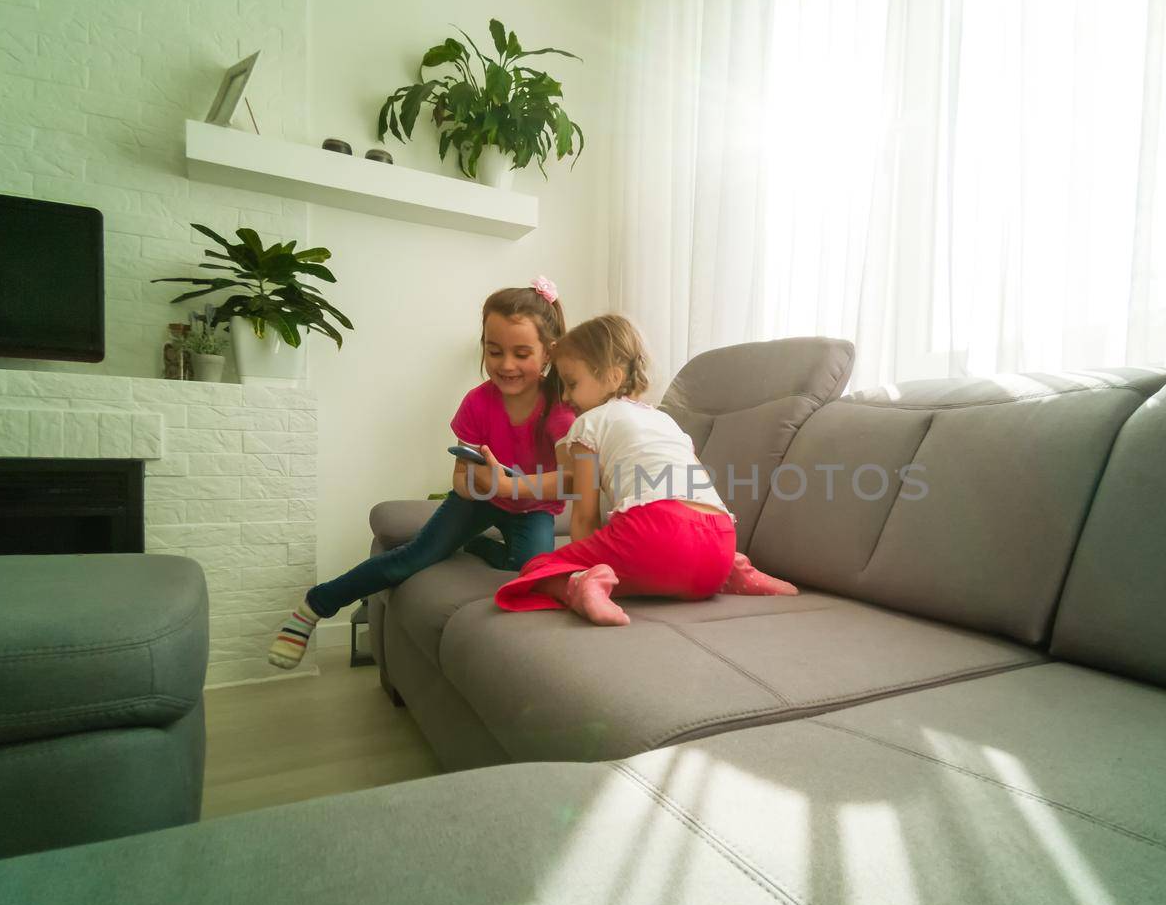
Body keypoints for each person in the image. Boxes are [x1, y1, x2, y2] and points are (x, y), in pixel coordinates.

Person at [268, 279, 573, 668]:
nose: (506, 365)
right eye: (494, 351)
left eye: (521, 353)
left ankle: (478, 546)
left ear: (548, 352)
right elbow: (460, 479)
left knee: (529, 571)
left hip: (533, 509)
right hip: (481, 502)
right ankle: (315, 605)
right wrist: (474, 486)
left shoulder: (560, 409)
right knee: (411, 558)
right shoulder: (478, 403)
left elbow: (571, 480)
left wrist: (512, 485)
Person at [493, 313, 796, 627]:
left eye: (571, 384)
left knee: (537, 568)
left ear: (611, 377)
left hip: (657, 536)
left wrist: (578, 565)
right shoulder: (666, 422)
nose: (566, 397)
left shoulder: (589, 424)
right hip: (720, 542)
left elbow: (585, 514)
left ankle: (583, 585)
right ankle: (734, 572)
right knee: (675, 557)